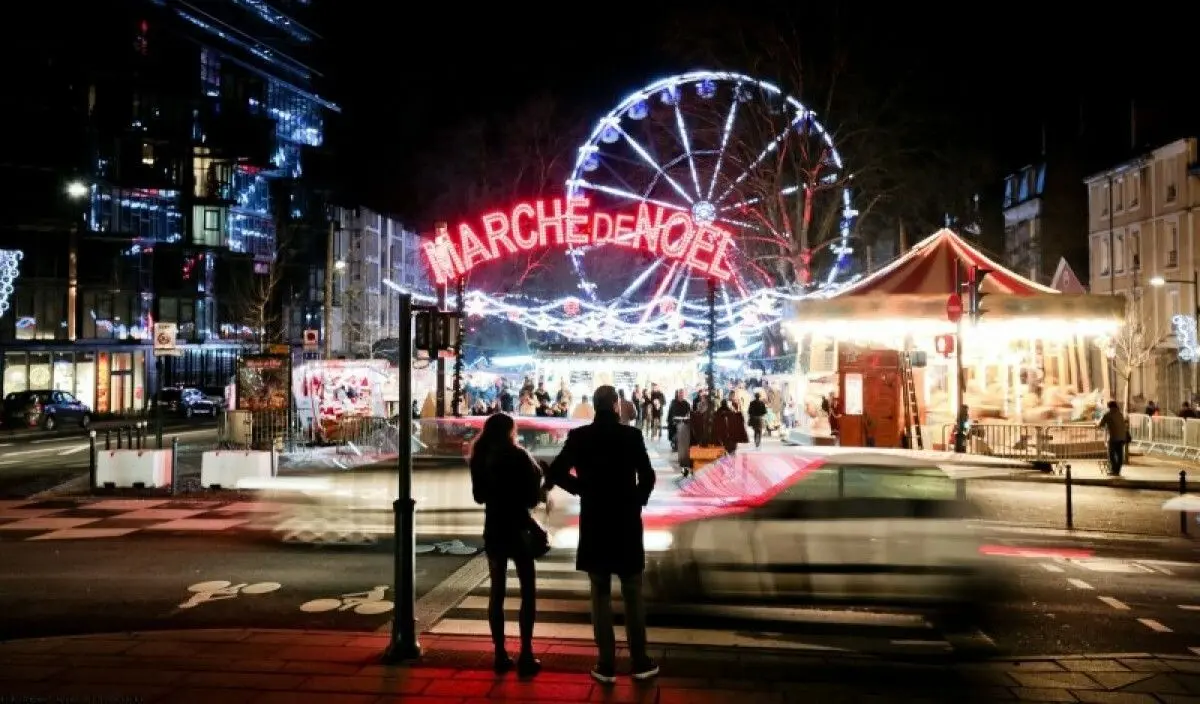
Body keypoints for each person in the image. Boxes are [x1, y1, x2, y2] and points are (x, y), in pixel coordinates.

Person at [545, 385, 658, 684]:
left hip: (595, 519)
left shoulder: (580, 437)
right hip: (626, 520)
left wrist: (582, 489)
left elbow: (557, 472)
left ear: (596, 406)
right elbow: (648, 476)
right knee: (632, 591)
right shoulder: (631, 436)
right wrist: (636, 500)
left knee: (600, 593)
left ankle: (606, 663)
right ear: (616, 405)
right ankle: (640, 661)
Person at [468, 413, 545, 677]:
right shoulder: (520, 456)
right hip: (519, 527)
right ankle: (526, 653)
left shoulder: (480, 457)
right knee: (528, 592)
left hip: (494, 527)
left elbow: (479, 496)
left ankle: (500, 654)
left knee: (497, 592)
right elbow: (533, 498)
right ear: (511, 431)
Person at [1097, 400, 1130, 476]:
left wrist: (1097, 423)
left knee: (1111, 454)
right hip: (1122, 437)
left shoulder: (1108, 414)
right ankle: (1117, 471)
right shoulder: (1120, 414)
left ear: (1109, 407)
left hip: (1114, 437)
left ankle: (1114, 470)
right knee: (1119, 455)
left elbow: (1101, 424)